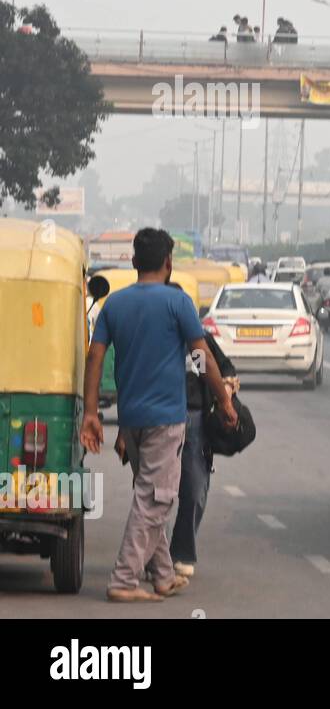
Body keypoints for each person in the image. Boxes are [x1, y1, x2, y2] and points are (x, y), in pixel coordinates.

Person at [81, 228, 237, 603]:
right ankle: (123, 579)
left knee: (152, 494)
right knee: (155, 501)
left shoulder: (113, 305)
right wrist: (225, 402)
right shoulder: (177, 304)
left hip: (130, 419)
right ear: (168, 263)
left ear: (134, 262)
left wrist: (91, 413)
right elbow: (201, 358)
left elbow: (95, 357)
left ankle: (163, 576)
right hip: (166, 419)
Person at [170, 313, 239, 577]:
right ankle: (153, 556)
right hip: (157, 419)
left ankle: (181, 552)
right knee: (154, 493)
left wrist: (226, 398)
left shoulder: (197, 343)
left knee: (195, 489)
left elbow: (224, 370)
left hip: (195, 420)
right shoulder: (152, 341)